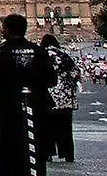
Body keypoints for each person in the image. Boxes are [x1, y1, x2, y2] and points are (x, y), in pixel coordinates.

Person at [0, 15, 52, 176]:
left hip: (8, 110)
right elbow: (51, 79)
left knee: (4, 150)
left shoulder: (0, 53)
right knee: (35, 148)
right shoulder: (39, 52)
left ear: (7, 30)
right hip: (36, 108)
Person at [42, 34, 79, 163]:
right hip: (65, 98)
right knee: (66, 128)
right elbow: (76, 72)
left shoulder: (41, 54)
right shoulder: (64, 55)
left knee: (47, 127)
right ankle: (68, 153)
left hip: (47, 98)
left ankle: (48, 153)